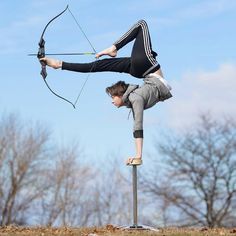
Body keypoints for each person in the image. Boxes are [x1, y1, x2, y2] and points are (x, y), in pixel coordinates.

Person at [40, 19, 172, 166]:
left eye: (112, 97)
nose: (111, 101)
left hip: (145, 69)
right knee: (98, 64)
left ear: (121, 95)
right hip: (146, 68)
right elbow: (138, 125)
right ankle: (63, 63)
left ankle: (64, 63)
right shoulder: (135, 98)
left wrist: (138, 155)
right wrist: (138, 156)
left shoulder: (135, 98)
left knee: (99, 64)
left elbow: (137, 126)